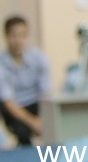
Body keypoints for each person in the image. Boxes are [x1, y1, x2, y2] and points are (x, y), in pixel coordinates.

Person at [0, 16, 51, 146]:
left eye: (23, 35)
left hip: (36, 104)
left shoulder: (39, 58)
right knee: (22, 131)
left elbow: (46, 93)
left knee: (52, 122)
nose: (19, 41)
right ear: (6, 36)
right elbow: (8, 102)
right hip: (15, 109)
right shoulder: (1, 64)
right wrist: (33, 122)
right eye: (14, 36)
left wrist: (42, 119)